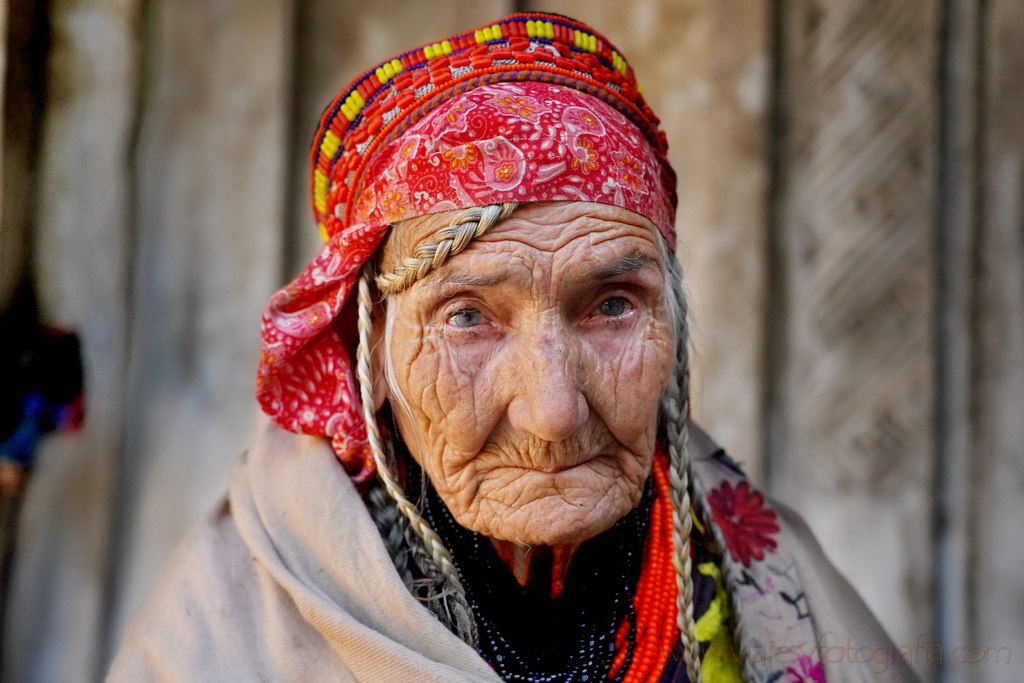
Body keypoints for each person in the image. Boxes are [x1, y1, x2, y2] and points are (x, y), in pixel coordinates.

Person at [109, 12, 916, 682]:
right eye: (467, 317)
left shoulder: (777, 588)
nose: (554, 413)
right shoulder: (227, 629)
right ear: (372, 344)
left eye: (610, 305)